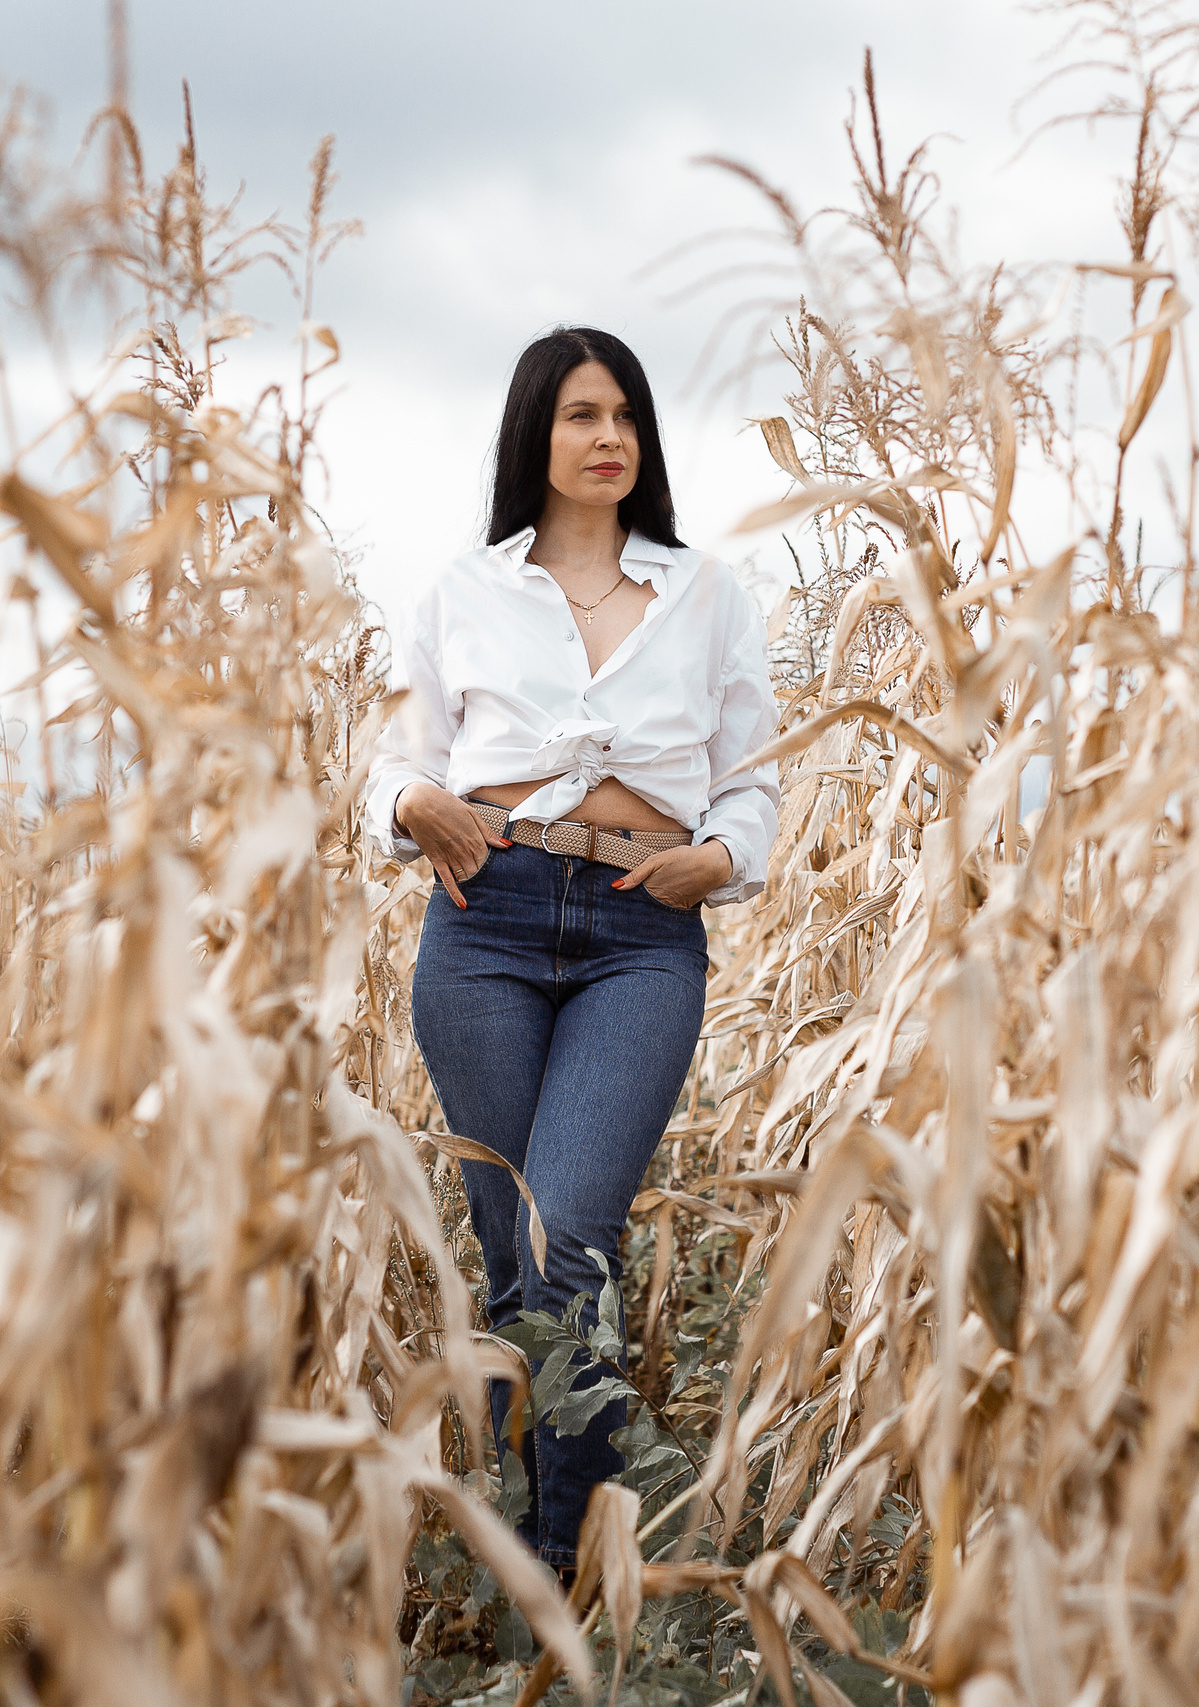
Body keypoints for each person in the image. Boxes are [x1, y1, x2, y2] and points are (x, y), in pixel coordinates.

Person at [365, 326, 778, 1572]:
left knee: (569, 1250)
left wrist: (718, 858)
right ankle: (534, 1594)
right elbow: (392, 759)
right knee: (513, 1266)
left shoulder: (708, 595)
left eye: (625, 419)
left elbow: (751, 785)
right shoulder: (462, 591)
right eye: (581, 417)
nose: (608, 440)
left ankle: (566, 1594)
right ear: (534, 435)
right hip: (484, 922)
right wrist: (408, 804)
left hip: (638, 937)